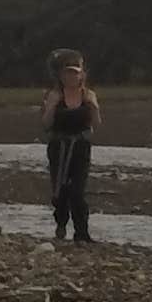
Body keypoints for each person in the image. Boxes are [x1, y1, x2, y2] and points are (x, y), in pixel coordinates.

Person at [40, 48, 100, 243]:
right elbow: (46, 124)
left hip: (81, 147)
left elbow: (96, 123)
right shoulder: (54, 95)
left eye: (75, 72)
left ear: (81, 74)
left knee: (78, 191)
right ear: (61, 75)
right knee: (60, 191)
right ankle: (61, 223)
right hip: (59, 147)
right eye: (67, 72)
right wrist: (51, 106)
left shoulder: (88, 94)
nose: (71, 76)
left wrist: (93, 105)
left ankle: (82, 233)